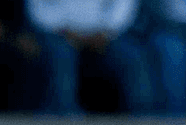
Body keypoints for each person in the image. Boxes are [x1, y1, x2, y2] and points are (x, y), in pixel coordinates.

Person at [27, 0, 157, 113]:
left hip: (106, 35)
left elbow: (124, 5)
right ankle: (64, 114)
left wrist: (107, 31)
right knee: (60, 56)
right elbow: (38, 7)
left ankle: (144, 118)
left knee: (133, 57)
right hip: (59, 34)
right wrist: (63, 30)